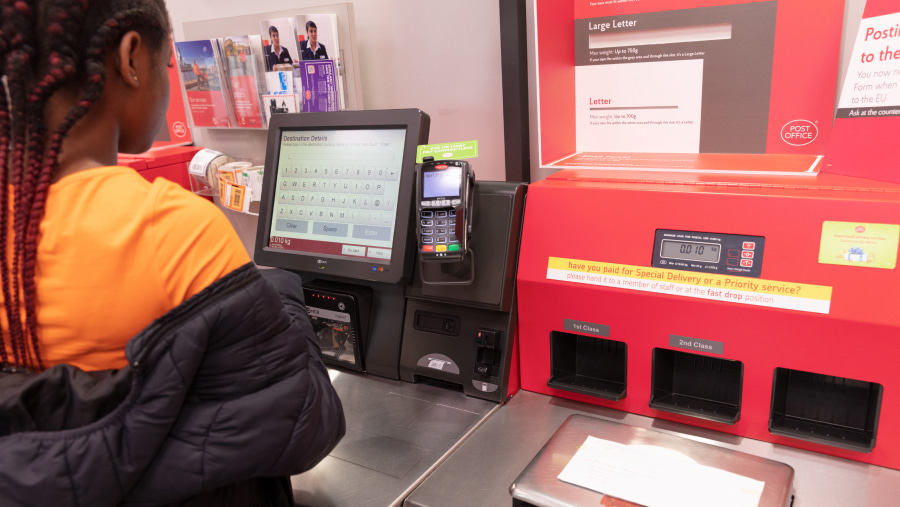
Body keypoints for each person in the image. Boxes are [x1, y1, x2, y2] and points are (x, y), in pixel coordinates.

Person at [0, 0, 344, 505]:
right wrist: (279, 290)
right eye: (167, 65)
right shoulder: (171, 227)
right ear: (131, 58)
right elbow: (307, 421)